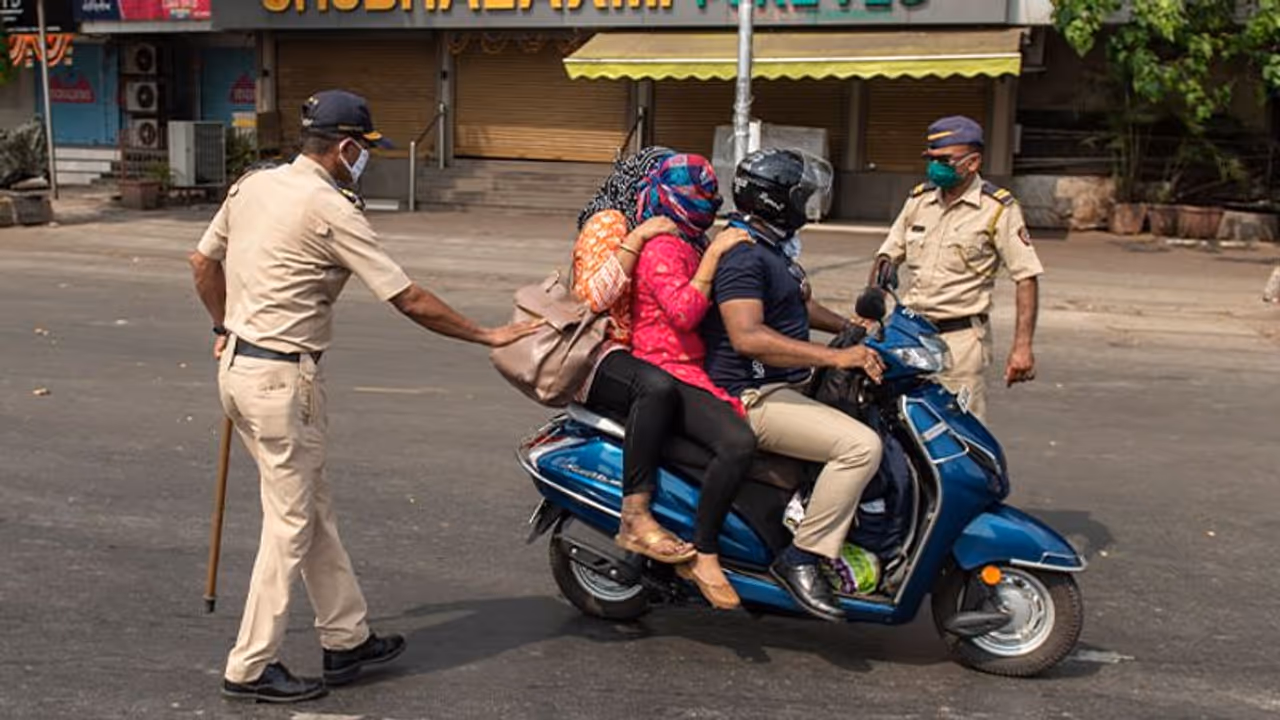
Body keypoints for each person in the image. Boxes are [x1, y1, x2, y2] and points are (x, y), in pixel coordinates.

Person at [189, 90, 537, 703]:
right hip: (282, 384)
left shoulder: (253, 185)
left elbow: (201, 263)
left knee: (309, 507)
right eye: (364, 152)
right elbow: (407, 297)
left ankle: (345, 638)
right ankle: (249, 666)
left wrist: (223, 325)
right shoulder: (332, 209)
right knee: (289, 525)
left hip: (241, 373)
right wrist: (487, 332)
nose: (365, 162)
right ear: (346, 148)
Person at [701, 148, 885, 623]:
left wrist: (853, 329)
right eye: (801, 194)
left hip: (782, 384)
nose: (808, 202)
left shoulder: (771, 247)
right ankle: (801, 558)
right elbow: (748, 337)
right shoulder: (743, 256)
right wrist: (836, 355)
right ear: (776, 199)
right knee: (860, 447)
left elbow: (798, 309)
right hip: (751, 394)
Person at [628, 153, 756, 609]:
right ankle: (705, 553)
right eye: (697, 194)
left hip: (696, 364)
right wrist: (718, 253)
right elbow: (684, 312)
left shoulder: (692, 238)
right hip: (666, 363)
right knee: (738, 443)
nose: (708, 201)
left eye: (710, 193)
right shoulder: (665, 244)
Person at [869, 115, 1043, 421]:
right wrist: (869, 307)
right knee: (897, 421)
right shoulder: (919, 201)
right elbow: (886, 255)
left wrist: (1022, 348)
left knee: (960, 428)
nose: (935, 167)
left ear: (972, 163)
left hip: (960, 342)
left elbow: (1026, 277)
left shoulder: (998, 209)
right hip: (908, 334)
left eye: (944, 160)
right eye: (931, 159)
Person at [572, 146, 695, 566]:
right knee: (656, 390)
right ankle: (635, 514)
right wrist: (636, 240)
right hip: (599, 350)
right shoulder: (611, 222)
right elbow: (593, 297)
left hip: (641, 345)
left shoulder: (667, 227)